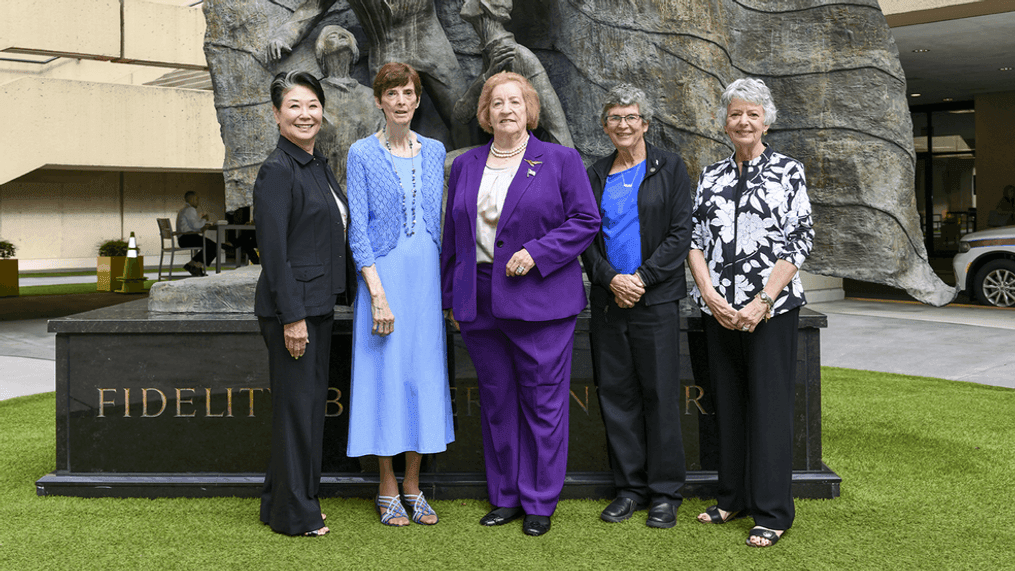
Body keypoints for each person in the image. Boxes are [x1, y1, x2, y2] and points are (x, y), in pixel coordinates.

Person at [441, 71, 600, 537]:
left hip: (540, 300)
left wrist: (538, 252)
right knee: (497, 402)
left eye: (514, 101)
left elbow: (586, 220)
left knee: (543, 403)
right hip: (480, 300)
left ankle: (538, 501)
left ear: (530, 110)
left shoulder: (560, 160)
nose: (505, 109)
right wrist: (453, 296)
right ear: (485, 114)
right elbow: (454, 235)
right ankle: (505, 496)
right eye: (496, 103)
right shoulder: (467, 164)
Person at [688, 78, 814, 547]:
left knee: (768, 408)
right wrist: (712, 297)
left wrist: (762, 301)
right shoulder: (710, 175)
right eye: (736, 113)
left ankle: (773, 511)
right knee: (728, 406)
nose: (743, 121)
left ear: (766, 121)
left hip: (771, 310)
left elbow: (799, 240)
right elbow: (695, 242)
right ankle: (732, 497)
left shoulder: (788, 171)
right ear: (725, 121)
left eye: (752, 114)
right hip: (718, 311)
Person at [345, 62, 454, 527]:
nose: (402, 100)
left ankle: (414, 484)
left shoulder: (435, 151)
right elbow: (359, 229)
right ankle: (386, 484)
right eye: (393, 93)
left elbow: (442, 223)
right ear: (379, 101)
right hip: (382, 280)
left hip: (425, 281)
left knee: (422, 376)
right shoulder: (360, 153)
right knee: (385, 376)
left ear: (417, 98)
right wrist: (377, 292)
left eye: (409, 92)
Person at [581, 84, 693, 529]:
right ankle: (629, 489)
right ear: (606, 127)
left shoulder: (670, 168)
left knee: (660, 396)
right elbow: (585, 236)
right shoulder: (595, 174)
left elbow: (680, 234)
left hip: (656, 302)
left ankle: (665, 493)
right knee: (617, 397)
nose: (623, 125)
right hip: (610, 304)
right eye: (615, 118)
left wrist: (641, 279)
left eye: (631, 118)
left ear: (645, 123)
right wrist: (611, 280)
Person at [253, 70, 349, 538]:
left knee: (307, 409)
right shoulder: (277, 170)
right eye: (294, 106)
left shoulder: (317, 164)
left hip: (319, 306)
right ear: (276, 115)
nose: (305, 114)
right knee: (297, 412)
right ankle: (297, 515)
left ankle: (280, 500)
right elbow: (274, 254)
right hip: (294, 312)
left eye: (312, 105)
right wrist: (292, 317)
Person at [266, 0, 471, 147]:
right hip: (386, 49)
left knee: (462, 111)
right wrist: (285, 35)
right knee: (387, 129)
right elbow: (314, 6)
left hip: (430, 41)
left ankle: (474, 170)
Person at [453, 0, 574, 148]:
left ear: (485, 8)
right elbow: (462, 114)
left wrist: (562, 168)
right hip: (500, 146)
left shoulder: (515, 55)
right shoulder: (493, 54)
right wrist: (487, 77)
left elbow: (558, 130)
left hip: (529, 154)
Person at [313, 25, 384, 192]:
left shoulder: (369, 96)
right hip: (323, 192)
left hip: (367, 191)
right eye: (332, 36)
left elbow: (383, 147)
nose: (340, 36)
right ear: (321, 51)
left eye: (345, 35)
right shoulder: (312, 95)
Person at [175, 191, 216, 276]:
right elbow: (196, 226)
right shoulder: (190, 209)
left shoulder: (183, 209)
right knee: (213, 246)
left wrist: (202, 225)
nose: (198, 202)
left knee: (210, 245)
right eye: (196, 199)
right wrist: (204, 219)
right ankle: (195, 266)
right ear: (191, 199)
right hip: (187, 238)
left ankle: (192, 265)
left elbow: (193, 226)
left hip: (184, 238)